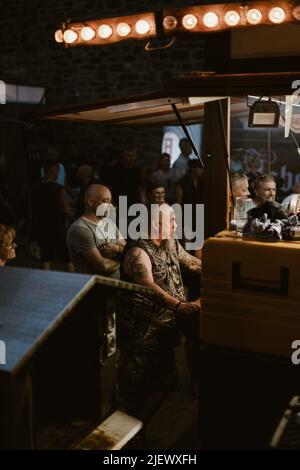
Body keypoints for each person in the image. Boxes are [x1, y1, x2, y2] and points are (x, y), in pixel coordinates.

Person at [118, 203, 201, 424]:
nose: (176, 225)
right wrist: (178, 306)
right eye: (171, 221)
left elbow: (191, 263)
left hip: (164, 330)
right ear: (155, 223)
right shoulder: (138, 251)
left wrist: (222, 270)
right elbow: (147, 286)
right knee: (135, 389)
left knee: (167, 381)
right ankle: (127, 439)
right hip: (142, 333)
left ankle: (138, 430)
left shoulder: (170, 242)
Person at [67, 184, 125, 278]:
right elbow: (102, 266)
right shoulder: (80, 229)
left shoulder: (109, 222)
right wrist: (123, 262)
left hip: (117, 286)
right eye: (105, 201)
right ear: (91, 202)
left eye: (110, 201)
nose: (111, 205)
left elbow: (128, 249)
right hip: (96, 288)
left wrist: (117, 248)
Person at [31, 161, 74, 271]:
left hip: (42, 227)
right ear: (53, 171)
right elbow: (67, 209)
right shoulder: (59, 189)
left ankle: (46, 283)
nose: (58, 175)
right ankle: (74, 283)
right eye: (57, 172)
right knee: (67, 259)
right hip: (57, 227)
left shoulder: (35, 188)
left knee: (46, 258)